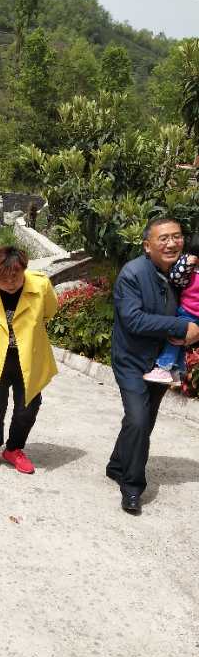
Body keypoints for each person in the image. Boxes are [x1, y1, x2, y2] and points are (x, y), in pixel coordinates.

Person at [107, 217, 199, 514]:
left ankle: (117, 463)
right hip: (131, 360)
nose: (172, 243)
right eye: (164, 238)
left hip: (163, 361)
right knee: (138, 418)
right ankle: (133, 486)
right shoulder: (132, 274)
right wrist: (181, 327)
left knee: (144, 419)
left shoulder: (185, 272)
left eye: (177, 236)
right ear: (148, 246)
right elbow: (133, 320)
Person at [0, 246, 58, 474]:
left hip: (29, 356)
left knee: (29, 407)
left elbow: (49, 312)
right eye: (3, 279)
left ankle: (14, 448)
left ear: (24, 270)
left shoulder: (41, 286)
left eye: (15, 277)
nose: (10, 283)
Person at [143, 232, 199, 384]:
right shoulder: (193, 268)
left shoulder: (191, 268)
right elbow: (177, 279)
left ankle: (163, 368)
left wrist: (186, 264)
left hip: (189, 313)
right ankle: (176, 370)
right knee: (180, 342)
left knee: (174, 339)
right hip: (189, 312)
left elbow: (175, 278)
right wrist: (188, 263)